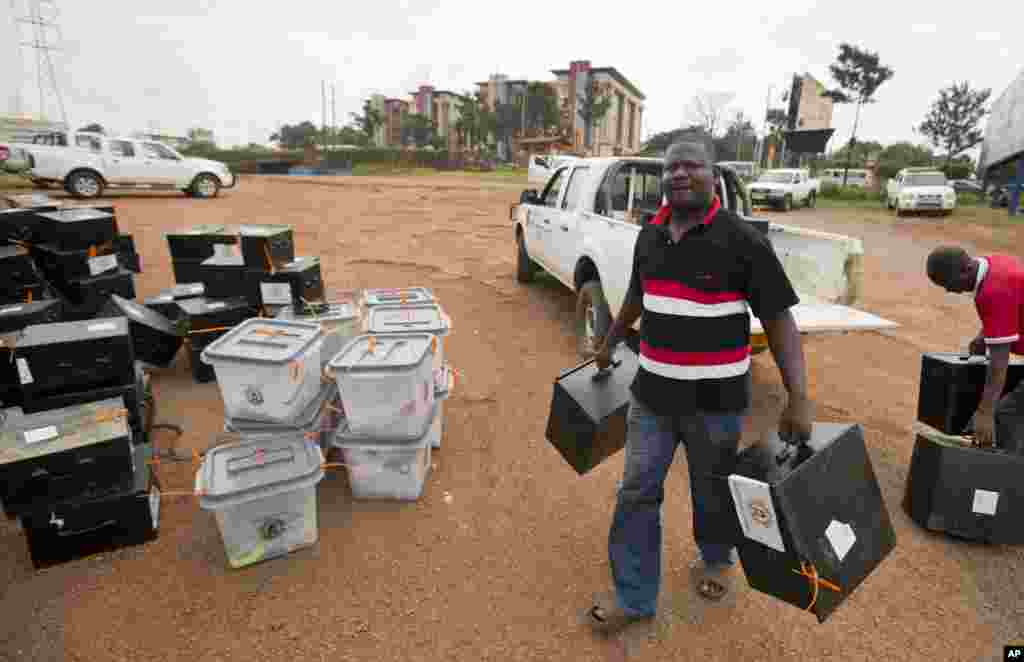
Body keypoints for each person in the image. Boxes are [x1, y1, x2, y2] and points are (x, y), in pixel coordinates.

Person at [586, 138, 813, 634]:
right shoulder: (649, 235)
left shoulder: (742, 240)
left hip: (716, 404)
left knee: (711, 489)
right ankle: (635, 595)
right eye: (671, 168)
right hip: (652, 398)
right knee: (636, 492)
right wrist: (608, 342)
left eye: (692, 165)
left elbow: (778, 319)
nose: (680, 174)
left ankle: (715, 556)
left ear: (715, 175)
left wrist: (798, 397)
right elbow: (635, 296)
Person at [926, 246, 1024, 451]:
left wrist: (985, 412)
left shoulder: (991, 293)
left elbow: (999, 361)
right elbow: (1012, 299)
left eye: (949, 283)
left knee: (1004, 415)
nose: (949, 290)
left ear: (967, 269)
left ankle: (1004, 475)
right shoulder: (995, 261)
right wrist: (984, 335)